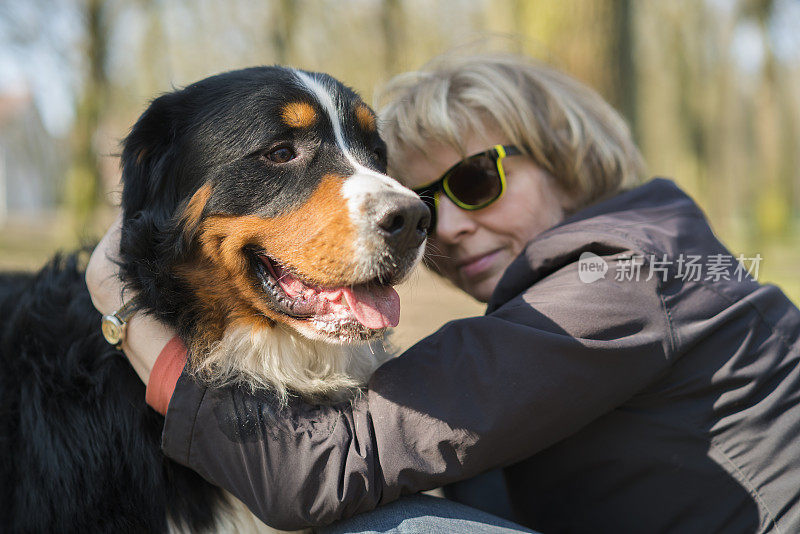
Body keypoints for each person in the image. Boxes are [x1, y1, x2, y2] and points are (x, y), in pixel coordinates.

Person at [86, 53, 800, 533]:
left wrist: (118, 304)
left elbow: (312, 474)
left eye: (475, 181)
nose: (439, 224)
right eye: (423, 195)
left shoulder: (627, 277)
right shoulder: (643, 259)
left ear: (567, 161)